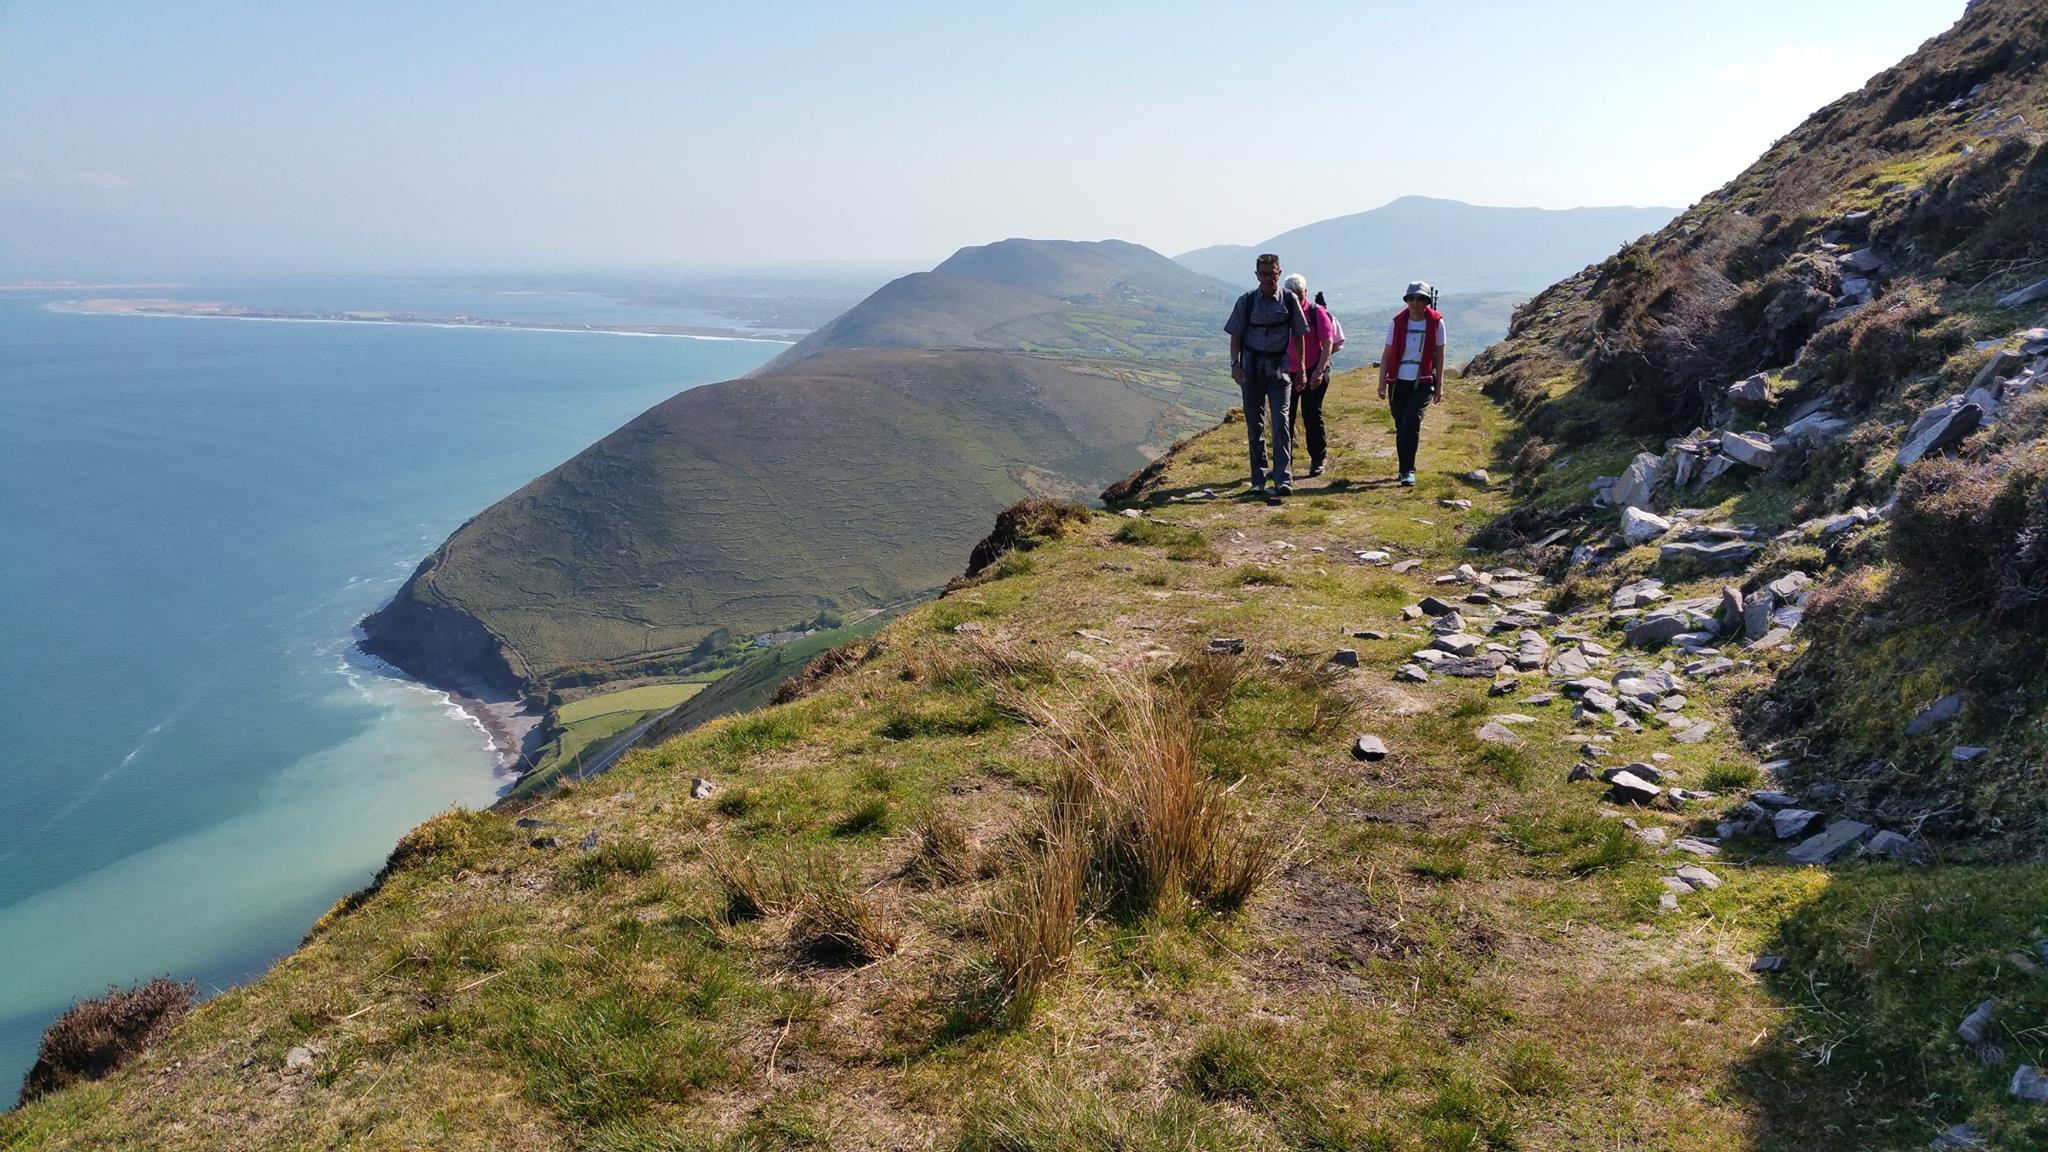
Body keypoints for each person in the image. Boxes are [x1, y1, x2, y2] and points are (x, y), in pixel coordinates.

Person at [1224, 253, 1308, 498]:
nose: (1268, 278)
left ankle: (1283, 480)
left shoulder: (1290, 300)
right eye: (1263, 274)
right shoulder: (1247, 301)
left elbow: (1299, 334)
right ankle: (1258, 481)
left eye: (1272, 274)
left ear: (1279, 273)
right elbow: (1236, 334)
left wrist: (1301, 367)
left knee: (1281, 423)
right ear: (1256, 275)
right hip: (1251, 370)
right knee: (1254, 425)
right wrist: (1234, 363)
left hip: (1280, 370)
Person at [1377, 281, 1447, 487]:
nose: (1415, 303)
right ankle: (1403, 468)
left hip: (1423, 381)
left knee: (1411, 421)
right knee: (1401, 425)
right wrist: (1382, 382)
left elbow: (1440, 356)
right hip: (1398, 382)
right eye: (1412, 299)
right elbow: (1387, 353)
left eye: (1420, 299)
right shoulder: (1397, 323)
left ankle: (1408, 469)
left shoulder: (1436, 323)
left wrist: (1440, 385)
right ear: (1407, 301)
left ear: (1426, 302)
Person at [1283, 274, 1337, 476]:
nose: (1295, 299)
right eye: (1291, 295)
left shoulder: (1316, 312)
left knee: (1311, 414)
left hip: (1315, 369)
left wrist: (1320, 370)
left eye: (1299, 294)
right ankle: (1284, 463)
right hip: (1288, 372)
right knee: (1285, 417)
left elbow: (1327, 342)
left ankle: (1318, 458)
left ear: (1305, 292)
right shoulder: (1281, 310)